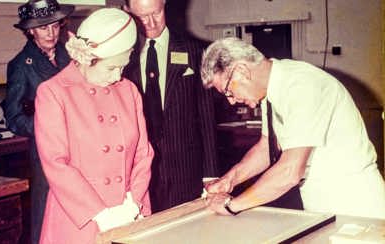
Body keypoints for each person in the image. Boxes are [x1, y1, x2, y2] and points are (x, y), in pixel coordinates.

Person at [201, 37, 385, 219]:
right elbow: (267, 147)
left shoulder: (302, 85)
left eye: (229, 91)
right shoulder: (272, 88)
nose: (231, 101)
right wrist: (229, 180)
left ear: (241, 70)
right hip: (319, 197)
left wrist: (232, 206)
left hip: (354, 201)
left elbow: (290, 171)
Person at [34, 8, 154, 243]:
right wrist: (102, 214)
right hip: (80, 220)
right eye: (111, 68)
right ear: (86, 58)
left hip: (128, 213)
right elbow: (56, 163)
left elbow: (144, 153)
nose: (118, 76)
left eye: (123, 66)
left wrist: (132, 203)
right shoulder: (53, 93)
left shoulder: (129, 90)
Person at [123, 0, 219, 213]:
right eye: (140, 17)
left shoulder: (194, 51)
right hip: (140, 173)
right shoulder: (122, 57)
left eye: (155, 14)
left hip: (185, 168)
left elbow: (206, 116)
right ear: (127, 11)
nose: (149, 23)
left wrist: (211, 173)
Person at [4, 0, 74, 243]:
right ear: (30, 30)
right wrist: (47, 129)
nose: (51, 33)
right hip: (47, 154)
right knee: (46, 214)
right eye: (43, 28)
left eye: (55, 26)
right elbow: (13, 118)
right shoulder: (21, 66)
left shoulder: (72, 55)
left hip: (81, 148)